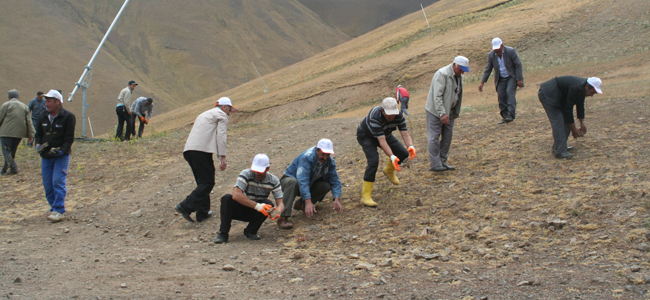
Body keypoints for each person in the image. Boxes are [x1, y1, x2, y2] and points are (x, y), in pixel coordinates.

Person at [175, 97, 236, 223]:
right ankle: (185, 206)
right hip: (201, 151)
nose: (230, 112)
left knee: (202, 182)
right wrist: (222, 157)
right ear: (224, 107)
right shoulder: (222, 115)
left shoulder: (204, 114)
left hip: (189, 150)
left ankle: (203, 212)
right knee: (207, 182)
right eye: (229, 108)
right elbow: (221, 135)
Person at [356, 98, 416, 207]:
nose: (392, 117)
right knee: (373, 161)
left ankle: (388, 170)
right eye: (389, 114)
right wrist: (392, 156)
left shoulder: (399, 116)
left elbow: (405, 135)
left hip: (385, 133)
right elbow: (382, 142)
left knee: (403, 153)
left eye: (393, 114)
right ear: (383, 110)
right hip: (366, 136)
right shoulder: (375, 117)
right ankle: (366, 197)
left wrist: (410, 146)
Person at [215, 154, 284, 243]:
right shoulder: (246, 173)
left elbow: (281, 203)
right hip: (241, 208)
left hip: (254, 213)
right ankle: (223, 233)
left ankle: (251, 231)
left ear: (267, 169)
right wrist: (258, 206)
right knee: (227, 198)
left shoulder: (274, 180)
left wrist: (277, 212)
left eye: (260, 171)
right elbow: (236, 195)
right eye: (255, 170)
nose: (257, 173)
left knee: (268, 204)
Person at [277, 138, 342, 229]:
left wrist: (337, 198)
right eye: (323, 154)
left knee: (325, 185)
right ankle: (283, 217)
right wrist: (308, 200)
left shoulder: (330, 161)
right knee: (293, 182)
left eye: (328, 155)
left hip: (308, 183)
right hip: (290, 182)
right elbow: (302, 180)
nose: (325, 157)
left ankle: (301, 204)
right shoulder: (307, 158)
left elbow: (335, 180)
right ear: (317, 150)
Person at [34, 90, 76, 222]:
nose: (46, 103)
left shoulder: (68, 117)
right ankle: (53, 207)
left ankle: (58, 209)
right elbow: (38, 134)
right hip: (46, 156)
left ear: (58, 102)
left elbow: (69, 138)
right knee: (48, 185)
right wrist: (38, 145)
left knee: (58, 181)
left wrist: (61, 151)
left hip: (60, 156)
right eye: (46, 100)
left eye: (49, 101)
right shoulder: (42, 116)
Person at [538, 76, 602, 159]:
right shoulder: (576, 87)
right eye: (592, 92)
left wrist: (582, 123)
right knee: (559, 122)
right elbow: (568, 109)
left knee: (566, 121)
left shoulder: (582, 88)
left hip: (558, 96)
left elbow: (580, 106)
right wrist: (574, 129)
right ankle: (560, 151)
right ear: (587, 86)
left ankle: (560, 147)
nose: (591, 95)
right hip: (548, 94)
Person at [426, 56, 468, 172]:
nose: (463, 72)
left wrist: (455, 111)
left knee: (447, 137)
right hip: (435, 111)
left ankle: (443, 162)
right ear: (455, 65)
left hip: (450, 111)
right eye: (461, 69)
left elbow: (458, 94)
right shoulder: (442, 74)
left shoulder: (458, 76)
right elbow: (437, 96)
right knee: (434, 137)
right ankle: (435, 164)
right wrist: (442, 114)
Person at [478, 38, 524, 124]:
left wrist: (519, 79)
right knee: (501, 96)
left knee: (509, 93)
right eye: (495, 50)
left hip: (511, 77)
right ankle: (505, 116)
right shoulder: (491, 55)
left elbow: (518, 65)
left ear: (502, 46)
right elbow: (488, 69)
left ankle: (511, 115)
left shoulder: (511, 51)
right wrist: (482, 82)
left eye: (498, 50)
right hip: (500, 78)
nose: (497, 52)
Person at [0, 89, 35, 175]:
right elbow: (29, 122)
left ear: (8, 97)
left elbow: (0, 118)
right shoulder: (24, 106)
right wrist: (31, 135)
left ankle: (14, 168)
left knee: (6, 151)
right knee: (12, 151)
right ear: (18, 97)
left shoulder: (6, 105)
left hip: (6, 133)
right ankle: (4, 170)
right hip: (19, 133)